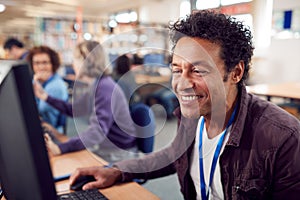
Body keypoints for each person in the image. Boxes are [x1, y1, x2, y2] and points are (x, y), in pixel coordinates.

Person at [68, 10, 300, 199]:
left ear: (236, 72)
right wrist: (117, 171)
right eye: (177, 70)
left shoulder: (282, 138)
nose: (182, 84)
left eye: (198, 70)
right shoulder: (193, 115)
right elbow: (173, 154)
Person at [33, 40, 137, 163]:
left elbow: (97, 132)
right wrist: (45, 97)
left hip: (118, 154)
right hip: (106, 147)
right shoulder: (97, 85)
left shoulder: (105, 88)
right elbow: (74, 110)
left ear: (86, 61)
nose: (72, 64)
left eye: (75, 59)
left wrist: (60, 148)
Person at [27, 45, 68, 133]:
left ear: (53, 64)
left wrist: (35, 82)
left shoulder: (56, 85)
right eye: (37, 63)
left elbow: (36, 110)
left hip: (53, 134)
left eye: (45, 62)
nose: (41, 67)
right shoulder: (40, 82)